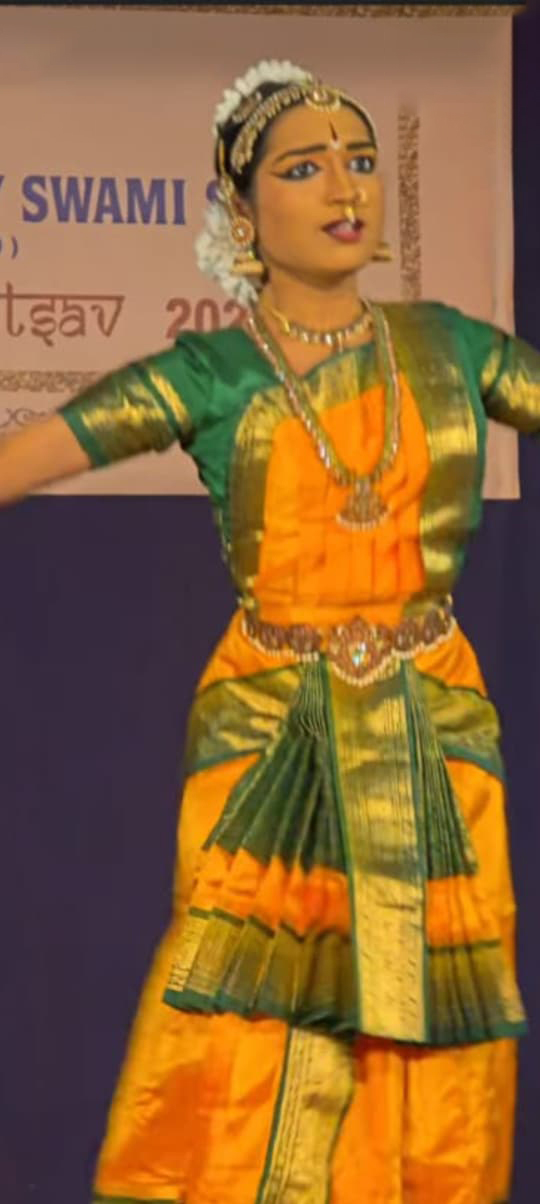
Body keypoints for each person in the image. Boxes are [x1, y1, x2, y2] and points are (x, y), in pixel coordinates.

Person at [1, 58, 539, 1204]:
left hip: (434, 724)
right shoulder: (214, 373)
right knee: (248, 1032)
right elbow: (29, 455)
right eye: (305, 167)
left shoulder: (450, 347)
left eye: (360, 160)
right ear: (242, 216)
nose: (346, 186)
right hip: (271, 730)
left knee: (439, 1040)